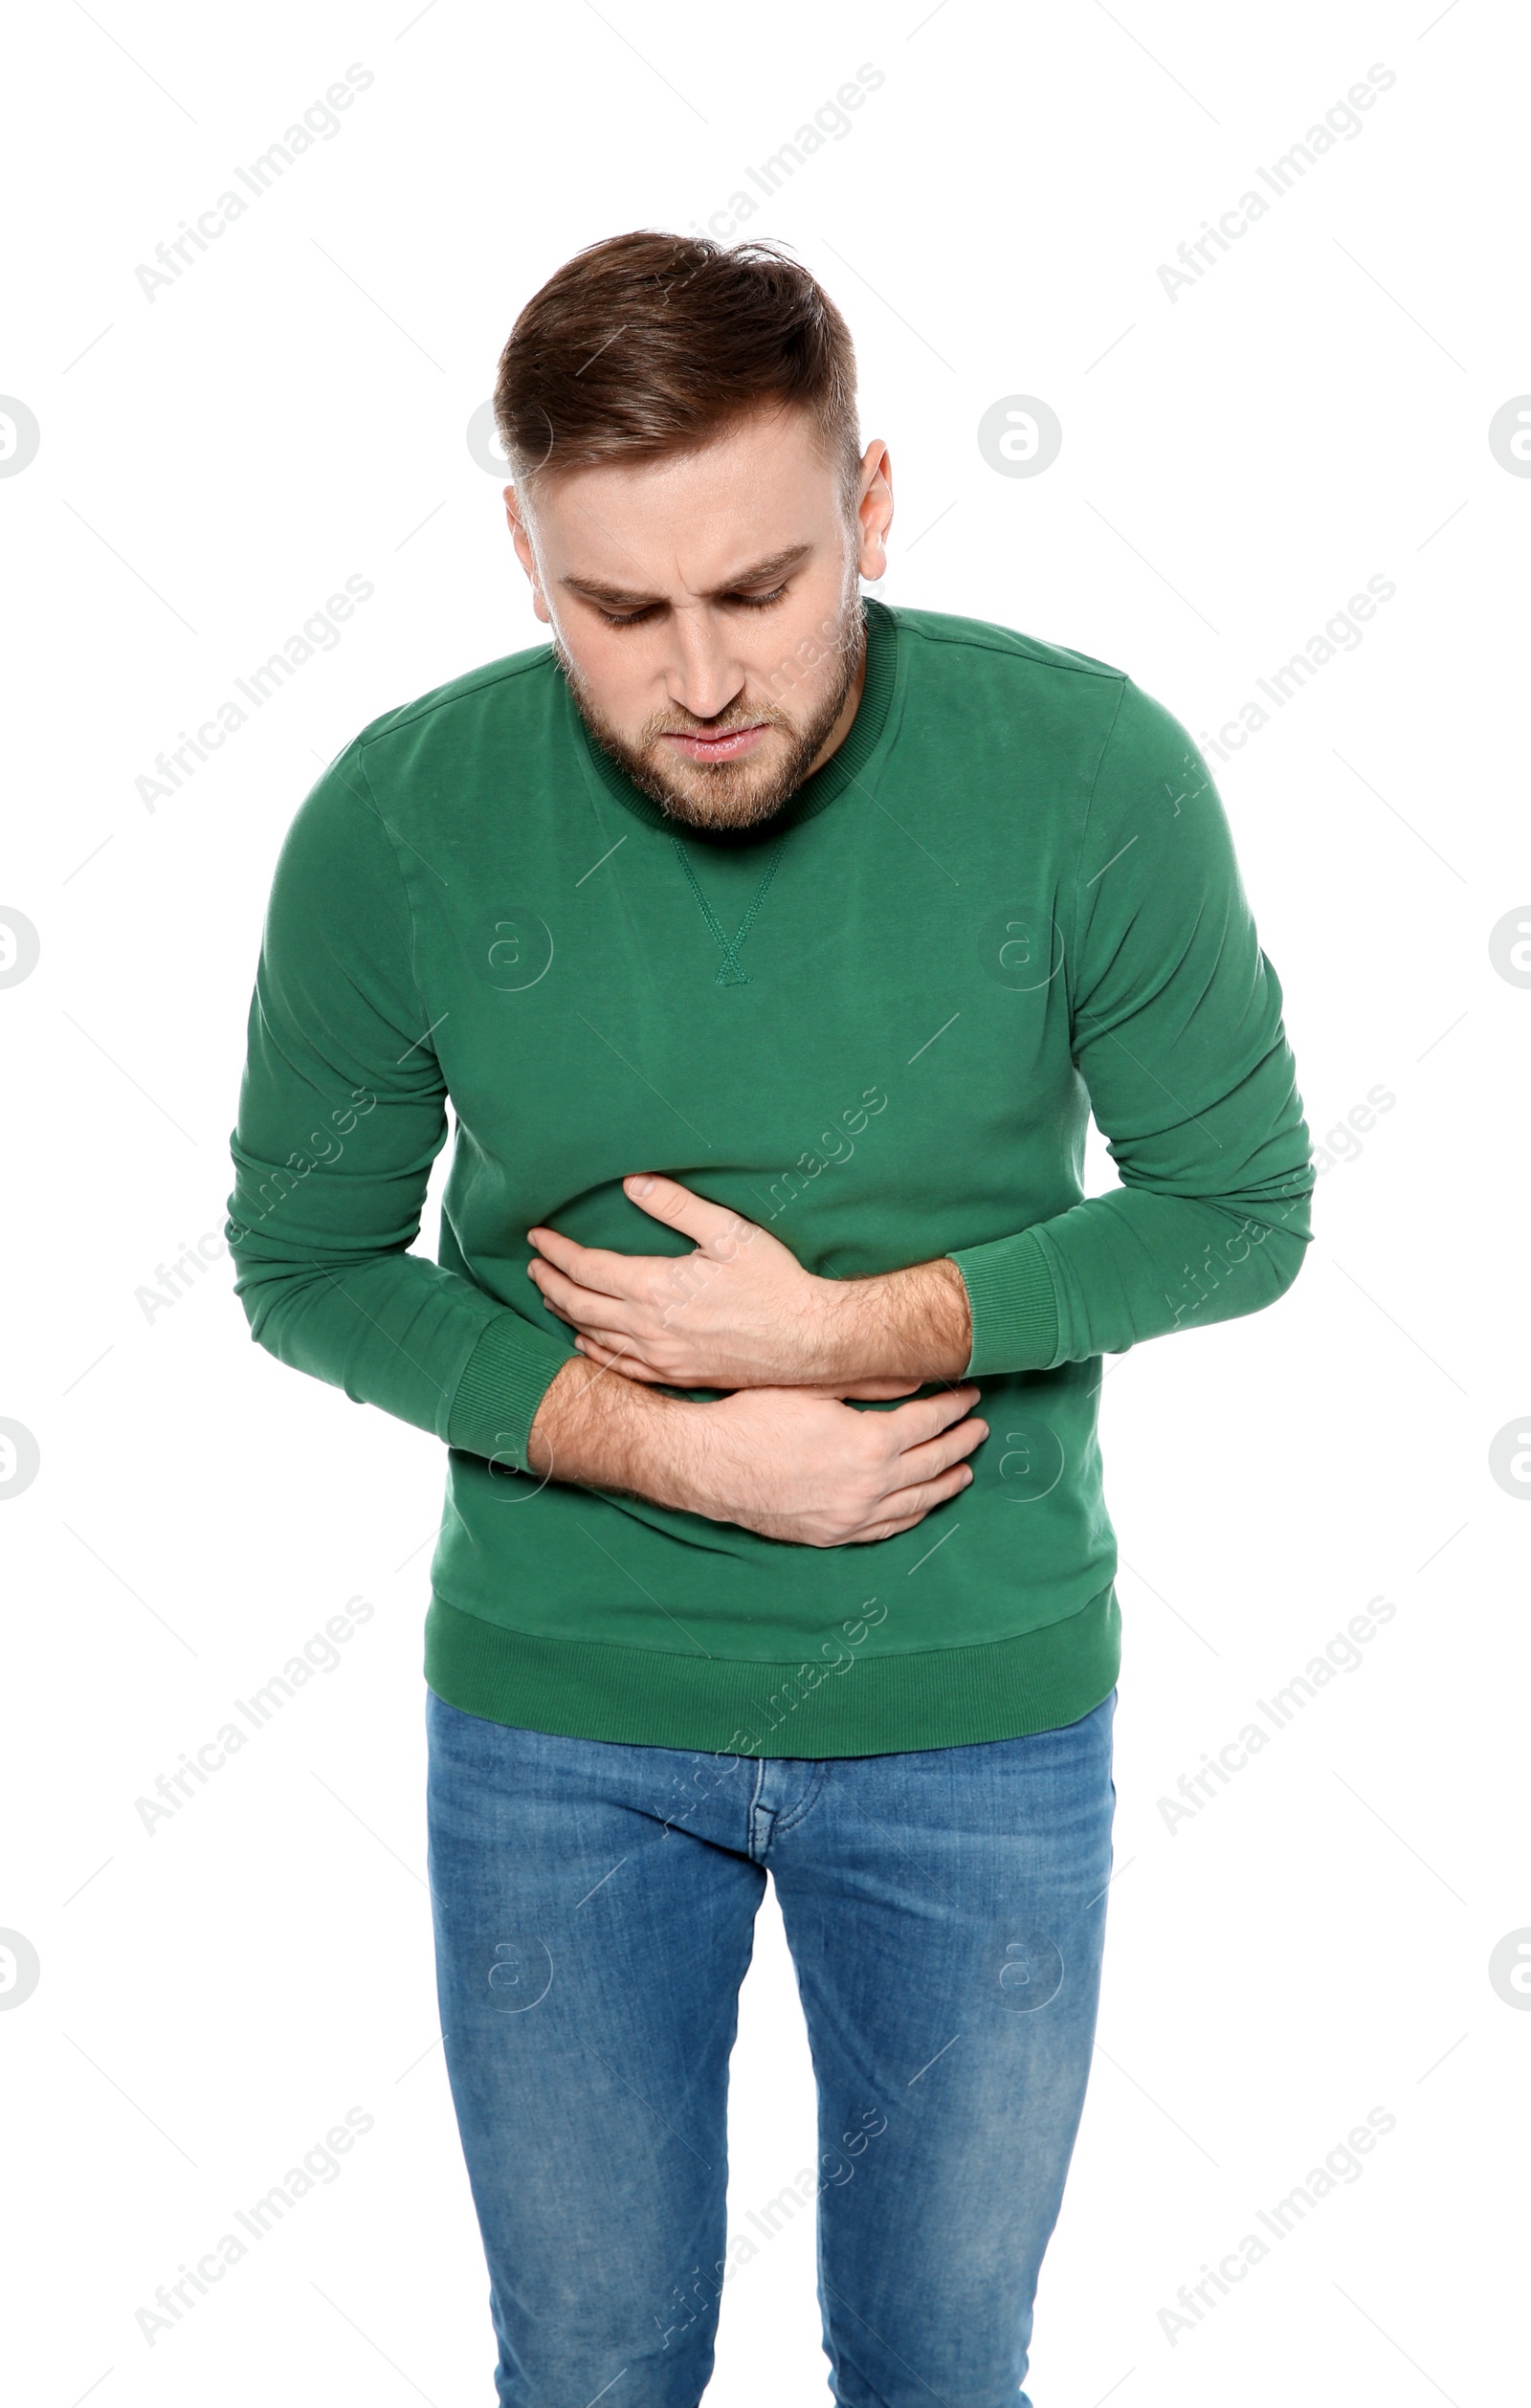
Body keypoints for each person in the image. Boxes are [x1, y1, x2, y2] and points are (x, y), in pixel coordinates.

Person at [226, 229, 1314, 2408]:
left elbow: (1234, 1210)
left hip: (976, 1725)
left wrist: (837, 1335)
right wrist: (666, 1440)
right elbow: (304, 1262)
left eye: (763, 587)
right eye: (619, 609)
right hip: (556, 1729)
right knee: (596, 2366)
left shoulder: (1084, 769)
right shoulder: (401, 813)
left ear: (873, 508)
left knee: (936, 2364)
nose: (702, 674)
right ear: (522, 549)